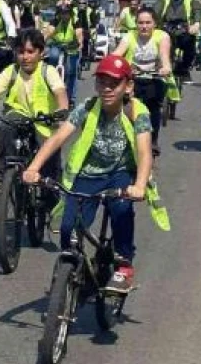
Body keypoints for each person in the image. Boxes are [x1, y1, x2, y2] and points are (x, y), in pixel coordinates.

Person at [22, 55, 156, 294]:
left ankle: (123, 265)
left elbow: (145, 152)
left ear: (128, 86)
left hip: (119, 173)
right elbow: (58, 137)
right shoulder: (87, 107)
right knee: (68, 227)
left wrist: (139, 184)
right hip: (88, 174)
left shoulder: (136, 111)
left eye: (114, 83)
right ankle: (74, 270)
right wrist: (33, 168)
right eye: (102, 82)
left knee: (122, 210)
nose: (106, 88)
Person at [0, 28, 68, 195]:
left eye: (30, 52)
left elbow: (60, 93)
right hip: (19, 114)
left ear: (41, 53)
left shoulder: (47, 71)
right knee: (7, 126)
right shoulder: (11, 71)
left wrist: (62, 110)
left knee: (50, 178)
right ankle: (5, 174)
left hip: (45, 121)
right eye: (21, 52)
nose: (25, 57)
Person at [112, 7, 172, 156]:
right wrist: (110, 63)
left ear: (154, 24)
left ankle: (153, 140)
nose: (144, 26)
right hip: (134, 78)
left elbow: (164, 55)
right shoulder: (129, 36)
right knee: (125, 105)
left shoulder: (162, 36)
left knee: (153, 107)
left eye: (147, 22)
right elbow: (117, 53)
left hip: (154, 77)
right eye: (140, 23)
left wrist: (165, 67)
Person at [160, 0, 201, 84]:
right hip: (167, 27)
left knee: (190, 44)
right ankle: (164, 69)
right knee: (163, 47)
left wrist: (196, 23)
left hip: (184, 28)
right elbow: (156, 10)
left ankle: (184, 70)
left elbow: (197, 9)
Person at [43, 0, 83, 99]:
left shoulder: (75, 21)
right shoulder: (55, 21)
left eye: (66, 13)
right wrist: (40, 43)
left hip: (72, 46)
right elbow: (48, 33)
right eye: (61, 13)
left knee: (72, 72)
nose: (64, 15)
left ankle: (71, 98)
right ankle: (50, 75)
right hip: (57, 44)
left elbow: (79, 34)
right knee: (53, 56)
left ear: (70, 13)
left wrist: (80, 43)